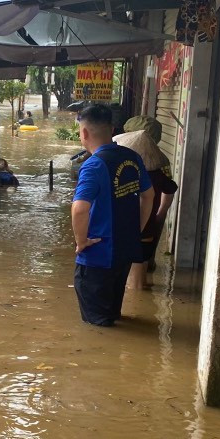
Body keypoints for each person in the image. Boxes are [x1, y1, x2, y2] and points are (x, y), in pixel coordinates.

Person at [71, 103, 154, 326]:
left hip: (98, 254)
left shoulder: (93, 165)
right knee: (112, 316)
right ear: (113, 129)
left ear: (85, 133)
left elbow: (79, 209)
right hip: (124, 251)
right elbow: (149, 195)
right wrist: (136, 229)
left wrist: (81, 241)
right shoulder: (132, 157)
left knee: (96, 326)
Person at [113, 120, 178, 290]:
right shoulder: (158, 170)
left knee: (129, 282)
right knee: (139, 277)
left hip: (123, 230)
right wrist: (160, 214)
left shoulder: (120, 169)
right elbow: (169, 190)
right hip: (147, 229)